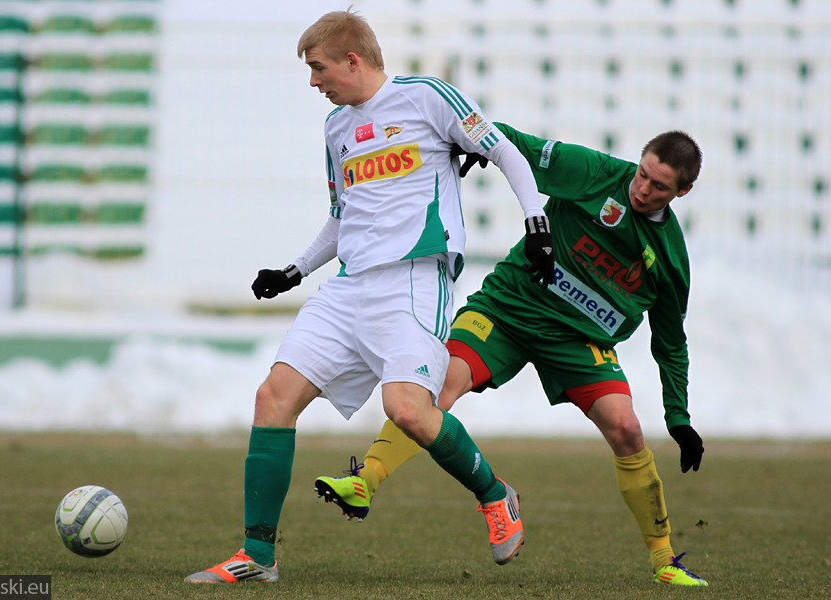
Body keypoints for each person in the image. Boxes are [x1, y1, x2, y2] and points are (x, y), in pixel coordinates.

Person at [184, 10, 555, 584]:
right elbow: (342, 215)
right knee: (272, 398)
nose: (314, 82)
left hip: (413, 280)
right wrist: (296, 269)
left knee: (407, 411)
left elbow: (505, 151)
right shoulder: (336, 128)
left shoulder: (428, 98)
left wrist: (536, 219)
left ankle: (495, 495)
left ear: (352, 60)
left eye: (318, 68)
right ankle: (258, 556)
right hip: (349, 286)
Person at [314, 124, 710, 586]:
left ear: (682, 191)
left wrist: (678, 418)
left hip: (578, 341)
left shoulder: (669, 258)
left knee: (626, 429)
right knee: (437, 387)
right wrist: (480, 143)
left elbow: (670, 343)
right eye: (642, 174)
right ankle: (367, 480)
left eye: (658, 185)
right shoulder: (596, 174)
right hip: (508, 308)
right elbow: (516, 144)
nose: (642, 188)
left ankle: (664, 562)